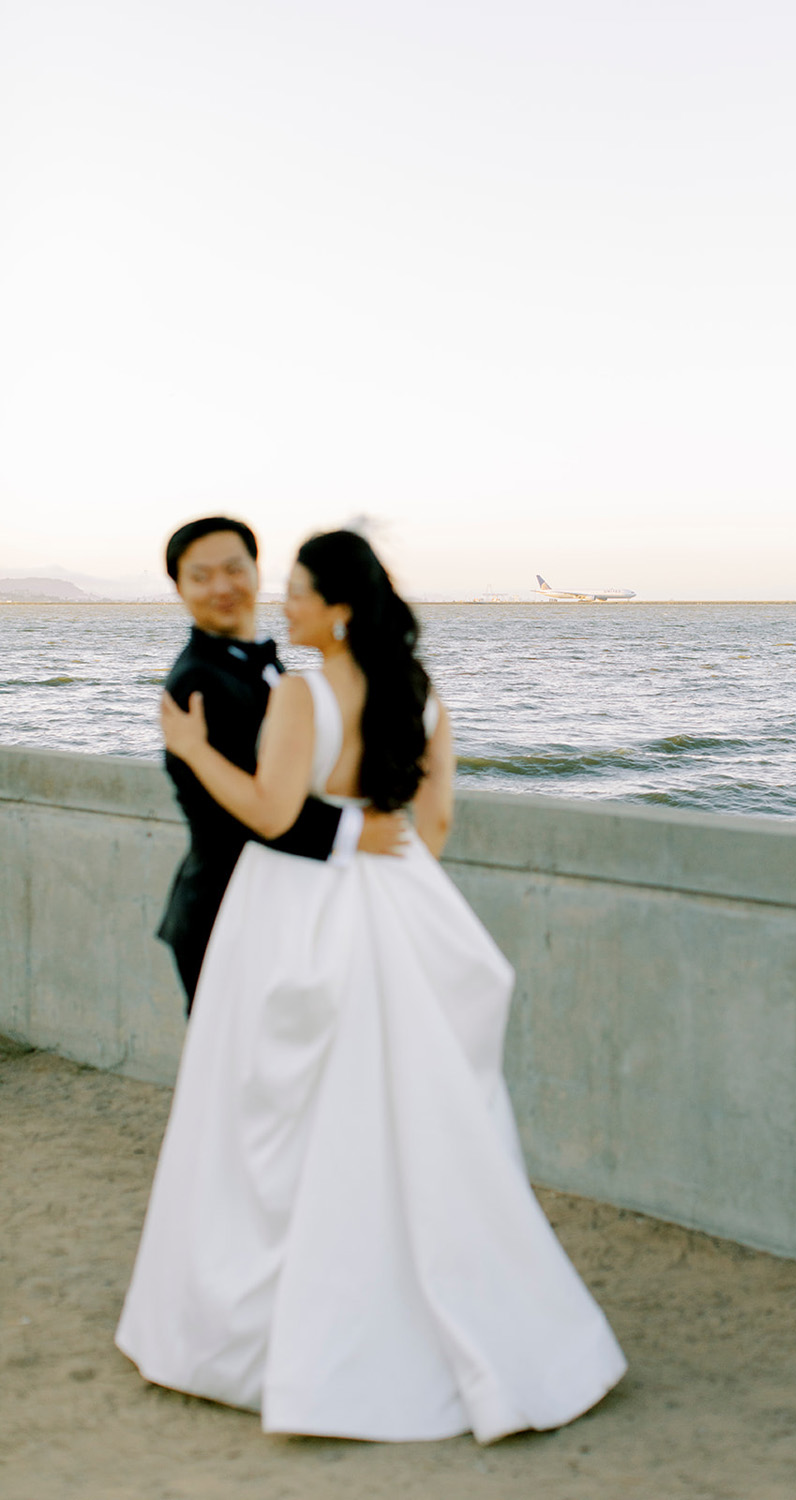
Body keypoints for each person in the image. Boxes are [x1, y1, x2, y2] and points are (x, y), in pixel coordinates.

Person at [116, 530, 626, 1443]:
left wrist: (194, 751)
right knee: (406, 1115)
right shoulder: (423, 695)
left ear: (338, 607)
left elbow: (274, 814)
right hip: (398, 907)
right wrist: (370, 847)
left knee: (272, 1116)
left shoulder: (301, 693)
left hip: (294, 909)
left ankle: (265, 1327)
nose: (284, 604)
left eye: (300, 592)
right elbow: (432, 827)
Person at [157, 516, 405, 1010]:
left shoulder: (273, 667)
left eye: (234, 569)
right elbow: (242, 810)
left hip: (275, 901)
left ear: (256, 570)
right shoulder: (196, 684)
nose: (222, 587)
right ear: (180, 589)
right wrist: (353, 830)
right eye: (200, 577)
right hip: (224, 907)